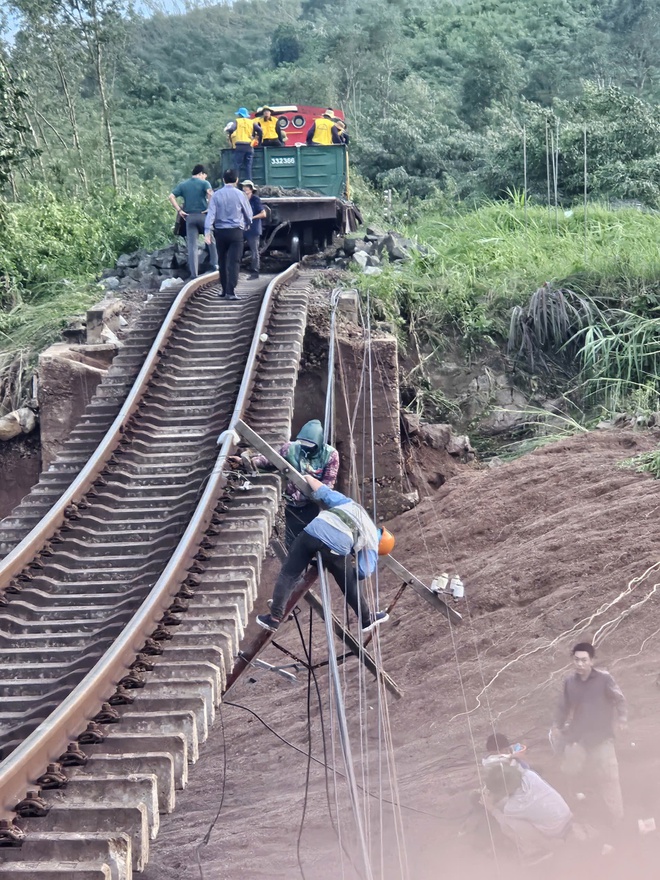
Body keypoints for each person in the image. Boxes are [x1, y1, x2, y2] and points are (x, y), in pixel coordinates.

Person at [256, 475, 393, 634]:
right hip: (336, 547)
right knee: (349, 584)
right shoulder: (372, 544)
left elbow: (324, 492)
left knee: (289, 573)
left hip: (313, 531)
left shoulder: (354, 506)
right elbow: (363, 572)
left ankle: (274, 619)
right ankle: (366, 620)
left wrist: (307, 476)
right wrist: (347, 568)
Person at [552, 642, 627, 825]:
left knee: (609, 778)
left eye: (584, 660)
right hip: (579, 738)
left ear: (591, 660)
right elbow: (564, 706)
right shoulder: (569, 682)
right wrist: (557, 725)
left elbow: (619, 699)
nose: (580, 664)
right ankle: (582, 812)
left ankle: (618, 821)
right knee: (571, 772)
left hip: (602, 738)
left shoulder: (604, 679)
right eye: (576, 660)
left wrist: (623, 719)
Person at [246, 419, 339, 548]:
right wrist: (251, 462)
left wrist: (312, 492)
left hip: (313, 505)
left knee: (313, 540)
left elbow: (328, 484)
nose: (306, 447)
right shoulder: (290, 448)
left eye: (310, 445)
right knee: (293, 541)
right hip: (292, 505)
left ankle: (314, 560)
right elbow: (270, 460)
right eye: (303, 443)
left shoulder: (330, 455)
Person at [482, 762, 573, 864]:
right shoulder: (530, 775)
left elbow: (507, 808)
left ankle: (537, 849)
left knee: (507, 821)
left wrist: (491, 808)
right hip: (566, 814)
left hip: (555, 830)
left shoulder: (512, 808)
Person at [204, 168, 253, 300]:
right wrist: (247, 224)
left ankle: (225, 290)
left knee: (222, 260)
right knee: (234, 261)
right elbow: (248, 213)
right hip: (236, 232)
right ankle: (230, 291)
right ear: (237, 180)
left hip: (220, 232)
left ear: (223, 180)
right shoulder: (240, 194)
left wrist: (207, 231)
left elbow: (211, 214)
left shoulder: (216, 195)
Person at [168, 165, 218, 278]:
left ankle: (193, 273)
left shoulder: (183, 184)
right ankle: (215, 265)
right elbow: (211, 194)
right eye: (205, 175)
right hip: (202, 216)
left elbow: (171, 196)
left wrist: (180, 210)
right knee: (211, 240)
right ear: (201, 173)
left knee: (192, 246)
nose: (205, 178)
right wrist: (209, 207)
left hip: (189, 217)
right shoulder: (205, 183)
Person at [225, 108, 262, 179]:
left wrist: (229, 132)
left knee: (237, 166)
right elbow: (260, 130)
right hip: (249, 146)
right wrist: (256, 138)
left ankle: (236, 183)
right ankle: (249, 183)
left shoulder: (237, 121)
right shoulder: (251, 122)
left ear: (239, 115)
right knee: (248, 166)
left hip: (239, 146)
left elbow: (232, 129)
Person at [241, 180, 267, 280]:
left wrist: (251, 217)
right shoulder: (241, 199)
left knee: (254, 251)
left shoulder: (255, 200)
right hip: (242, 228)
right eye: (243, 189)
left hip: (253, 229)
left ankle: (255, 272)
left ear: (251, 190)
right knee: (237, 248)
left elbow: (263, 214)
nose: (245, 191)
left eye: (247, 189)